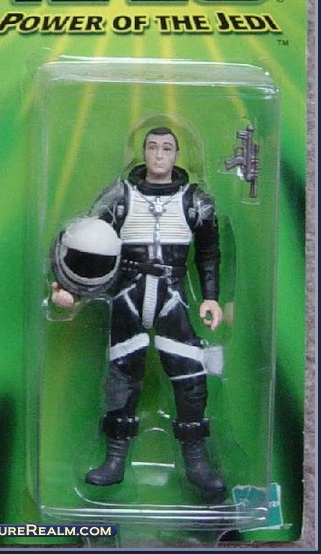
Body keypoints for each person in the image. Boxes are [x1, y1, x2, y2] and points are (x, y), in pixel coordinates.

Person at [51, 126, 226, 502]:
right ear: (143, 152)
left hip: (172, 295)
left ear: (177, 154)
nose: (159, 155)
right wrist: (72, 290)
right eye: (152, 147)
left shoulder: (195, 201)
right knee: (122, 377)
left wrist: (211, 298)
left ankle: (196, 462)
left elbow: (209, 252)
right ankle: (114, 460)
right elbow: (87, 241)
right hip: (127, 294)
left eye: (167, 148)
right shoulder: (119, 197)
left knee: (190, 377)